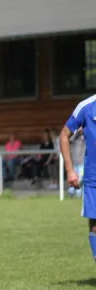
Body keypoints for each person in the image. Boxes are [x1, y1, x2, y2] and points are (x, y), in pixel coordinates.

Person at [59, 94, 96, 262]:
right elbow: (64, 136)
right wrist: (70, 170)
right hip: (94, 177)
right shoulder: (86, 106)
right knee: (95, 224)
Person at [68, 128, 85, 198]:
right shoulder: (74, 138)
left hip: (82, 162)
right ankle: (72, 191)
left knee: (80, 178)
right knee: (74, 178)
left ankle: (77, 193)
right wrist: (76, 133)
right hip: (74, 161)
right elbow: (69, 139)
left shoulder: (84, 138)